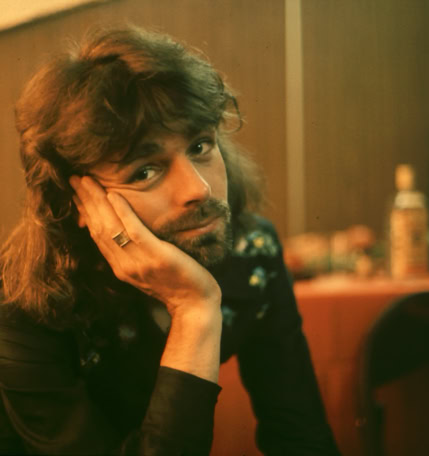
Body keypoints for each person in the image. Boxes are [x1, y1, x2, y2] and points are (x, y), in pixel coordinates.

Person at [0, 25, 340, 455]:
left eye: (200, 146)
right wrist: (193, 309)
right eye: (145, 171)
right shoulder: (22, 309)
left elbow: (300, 434)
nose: (199, 189)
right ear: (78, 202)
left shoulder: (251, 251)